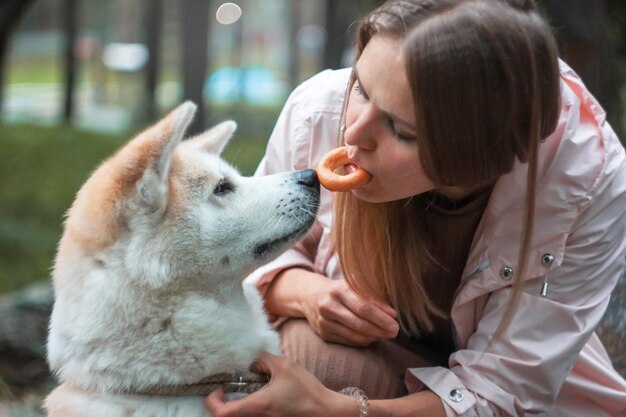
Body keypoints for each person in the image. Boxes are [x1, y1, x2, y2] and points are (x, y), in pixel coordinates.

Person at [206, 0, 626, 416]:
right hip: (366, 355)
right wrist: (308, 295)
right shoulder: (319, 111)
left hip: (485, 398)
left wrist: (338, 410)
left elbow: (503, 390)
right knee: (304, 358)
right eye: (361, 88)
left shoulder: (587, 181)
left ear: (478, 152)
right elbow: (246, 254)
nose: (353, 131)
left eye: (401, 131)